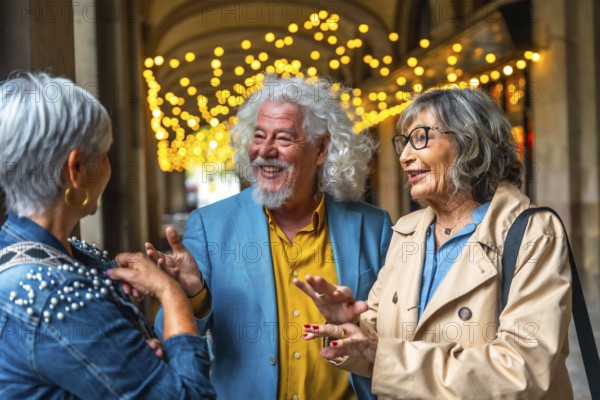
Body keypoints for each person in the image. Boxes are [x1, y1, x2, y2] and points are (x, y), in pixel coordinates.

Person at [293, 88, 573, 399]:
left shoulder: (533, 232)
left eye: (421, 138)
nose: (404, 156)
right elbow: (380, 347)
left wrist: (381, 353)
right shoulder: (406, 231)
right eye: (403, 142)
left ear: (472, 145)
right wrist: (348, 327)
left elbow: (522, 372)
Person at [148, 74, 392, 399]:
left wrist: (358, 329)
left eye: (284, 139)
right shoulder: (211, 226)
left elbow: (398, 330)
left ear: (321, 148)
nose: (265, 150)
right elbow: (168, 338)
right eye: (259, 135)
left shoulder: (373, 226)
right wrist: (192, 296)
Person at [0, 72, 215, 399]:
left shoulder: (42, 255)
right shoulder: (58, 296)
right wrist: (169, 292)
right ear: (75, 170)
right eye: (104, 153)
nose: (110, 166)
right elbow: (187, 395)